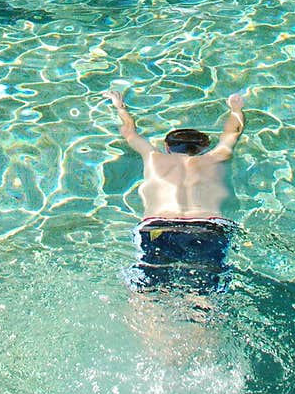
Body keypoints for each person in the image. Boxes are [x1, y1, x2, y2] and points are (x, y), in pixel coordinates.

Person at [105, 89, 246, 290]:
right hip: (208, 228)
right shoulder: (216, 157)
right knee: (204, 292)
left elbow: (129, 132)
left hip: (158, 227)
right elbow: (233, 132)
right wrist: (236, 109)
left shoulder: (153, 157)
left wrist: (120, 106)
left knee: (148, 292)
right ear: (204, 148)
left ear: (167, 147)